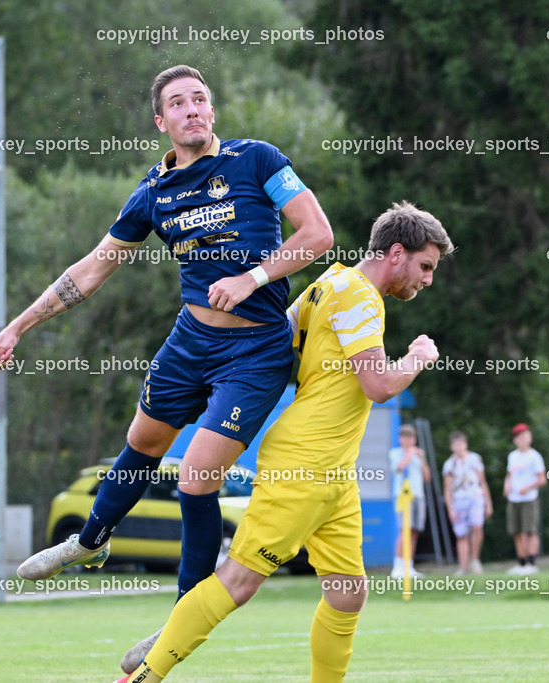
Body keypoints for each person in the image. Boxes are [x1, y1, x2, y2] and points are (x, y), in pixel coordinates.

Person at [0, 64, 333, 653]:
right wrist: (18, 325)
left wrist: (253, 277)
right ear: (161, 121)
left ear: (212, 111)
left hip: (254, 351)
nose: (192, 109)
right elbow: (92, 268)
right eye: (178, 103)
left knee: (196, 480)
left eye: (200, 99)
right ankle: (91, 541)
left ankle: (180, 623)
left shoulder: (258, 161)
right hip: (190, 343)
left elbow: (317, 235)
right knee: (142, 443)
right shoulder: (153, 193)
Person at [115, 201, 454, 683]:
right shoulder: (361, 297)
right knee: (239, 580)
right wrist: (418, 356)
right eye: (425, 266)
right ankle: (143, 676)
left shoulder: (329, 283)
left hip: (334, 472)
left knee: (348, 592)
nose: (428, 279)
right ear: (395, 253)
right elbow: (378, 385)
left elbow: (278, 341)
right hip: (308, 465)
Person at [442, 431, 492, 575]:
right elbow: (447, 489)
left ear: (466, 444)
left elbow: (482, 482)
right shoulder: (449, 464)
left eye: (461, 443)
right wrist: (450, 508)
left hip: (475, 497)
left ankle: (475, 559)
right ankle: (463, 567)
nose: (459, 446)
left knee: (476, 526)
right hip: (458, 500)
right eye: (455, 444)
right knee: (461, 534)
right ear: (451, 446)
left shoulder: (475, 459)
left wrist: (488, 503)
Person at [389, 423, 431, 578]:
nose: (408, 440)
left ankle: (409, 566)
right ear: (400, 439)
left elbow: (427, 477)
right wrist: (409, 454)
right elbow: (399, 468)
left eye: (410, 437)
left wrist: (422, 459)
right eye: (405, 437)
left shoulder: (419, 454)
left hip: (418, 495)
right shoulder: (395, 453)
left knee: (414, 531)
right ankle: (398, 566)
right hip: (403, 495)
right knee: (403, 529)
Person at [503, 423, 546, 575]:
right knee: (517, 531)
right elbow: (509, 475)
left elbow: (542, 479)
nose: (523, 439)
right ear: (515, 439)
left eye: (526, 436)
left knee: (530, 531)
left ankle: (532, 563)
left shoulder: (534, 456)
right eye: (520, 436)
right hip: (514, 499)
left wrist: (527, 488)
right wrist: (507, 486)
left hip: (529, 499)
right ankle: (521, 564)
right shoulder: (512, 456)